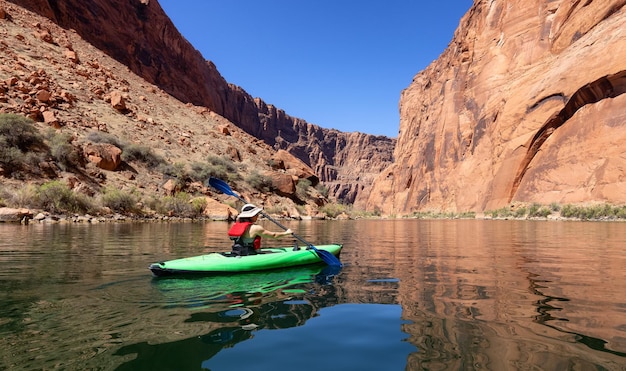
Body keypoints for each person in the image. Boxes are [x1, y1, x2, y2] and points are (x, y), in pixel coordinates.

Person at [228, 204, 292, 255]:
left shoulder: (236, 225)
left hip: (236, 252)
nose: (257, 216)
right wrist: (286, 233)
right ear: (251, 216)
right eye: (256, 214)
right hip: (249, 254)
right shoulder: (256, 228)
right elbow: (273, 236)